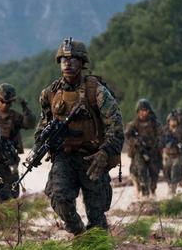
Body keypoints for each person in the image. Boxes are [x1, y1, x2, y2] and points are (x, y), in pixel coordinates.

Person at [36, 37, 124, 235]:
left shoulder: (97, 92)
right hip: (64, 157)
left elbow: (116, 128)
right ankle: (79, 233)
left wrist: (104, 153)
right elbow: (42, 126)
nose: (68, 63)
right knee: (58, 197)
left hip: (92, 158)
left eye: (73, 59)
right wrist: (42, 142)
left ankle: (96, 242)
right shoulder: (50, 93)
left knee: (97, 214)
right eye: (64, 60)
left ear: (82, 63)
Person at [0, 83, 36, 201]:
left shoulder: (15, 117)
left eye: (8, 102)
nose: (5, 105)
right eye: (2, 101)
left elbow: (29, 124)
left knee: (12, 195)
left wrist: (25, 107)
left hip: (10, 163)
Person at [125, 99, 162, 198]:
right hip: (139, 151)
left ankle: (153, 190)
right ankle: (144, 192)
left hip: (152, 151)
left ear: (148, 111)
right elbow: (127, 136)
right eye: (141, 110)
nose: (143, 113)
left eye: (145, 110)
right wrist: (136, 141)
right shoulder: (134, 124)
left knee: (154, 172)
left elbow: (161, 135)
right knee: (141, 170)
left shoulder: (154, 123)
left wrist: (157, 143)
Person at [162, 114, 182, 195]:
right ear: (168, 122)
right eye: (171, 121)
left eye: (174, 120)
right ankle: (169, 185)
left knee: (175, 169)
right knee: (166, 170)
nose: (173, 122)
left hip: (178, 155)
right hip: (168, 154)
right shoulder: (165, 131)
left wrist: (181, 146)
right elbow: (161, 141)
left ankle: (173, 188)